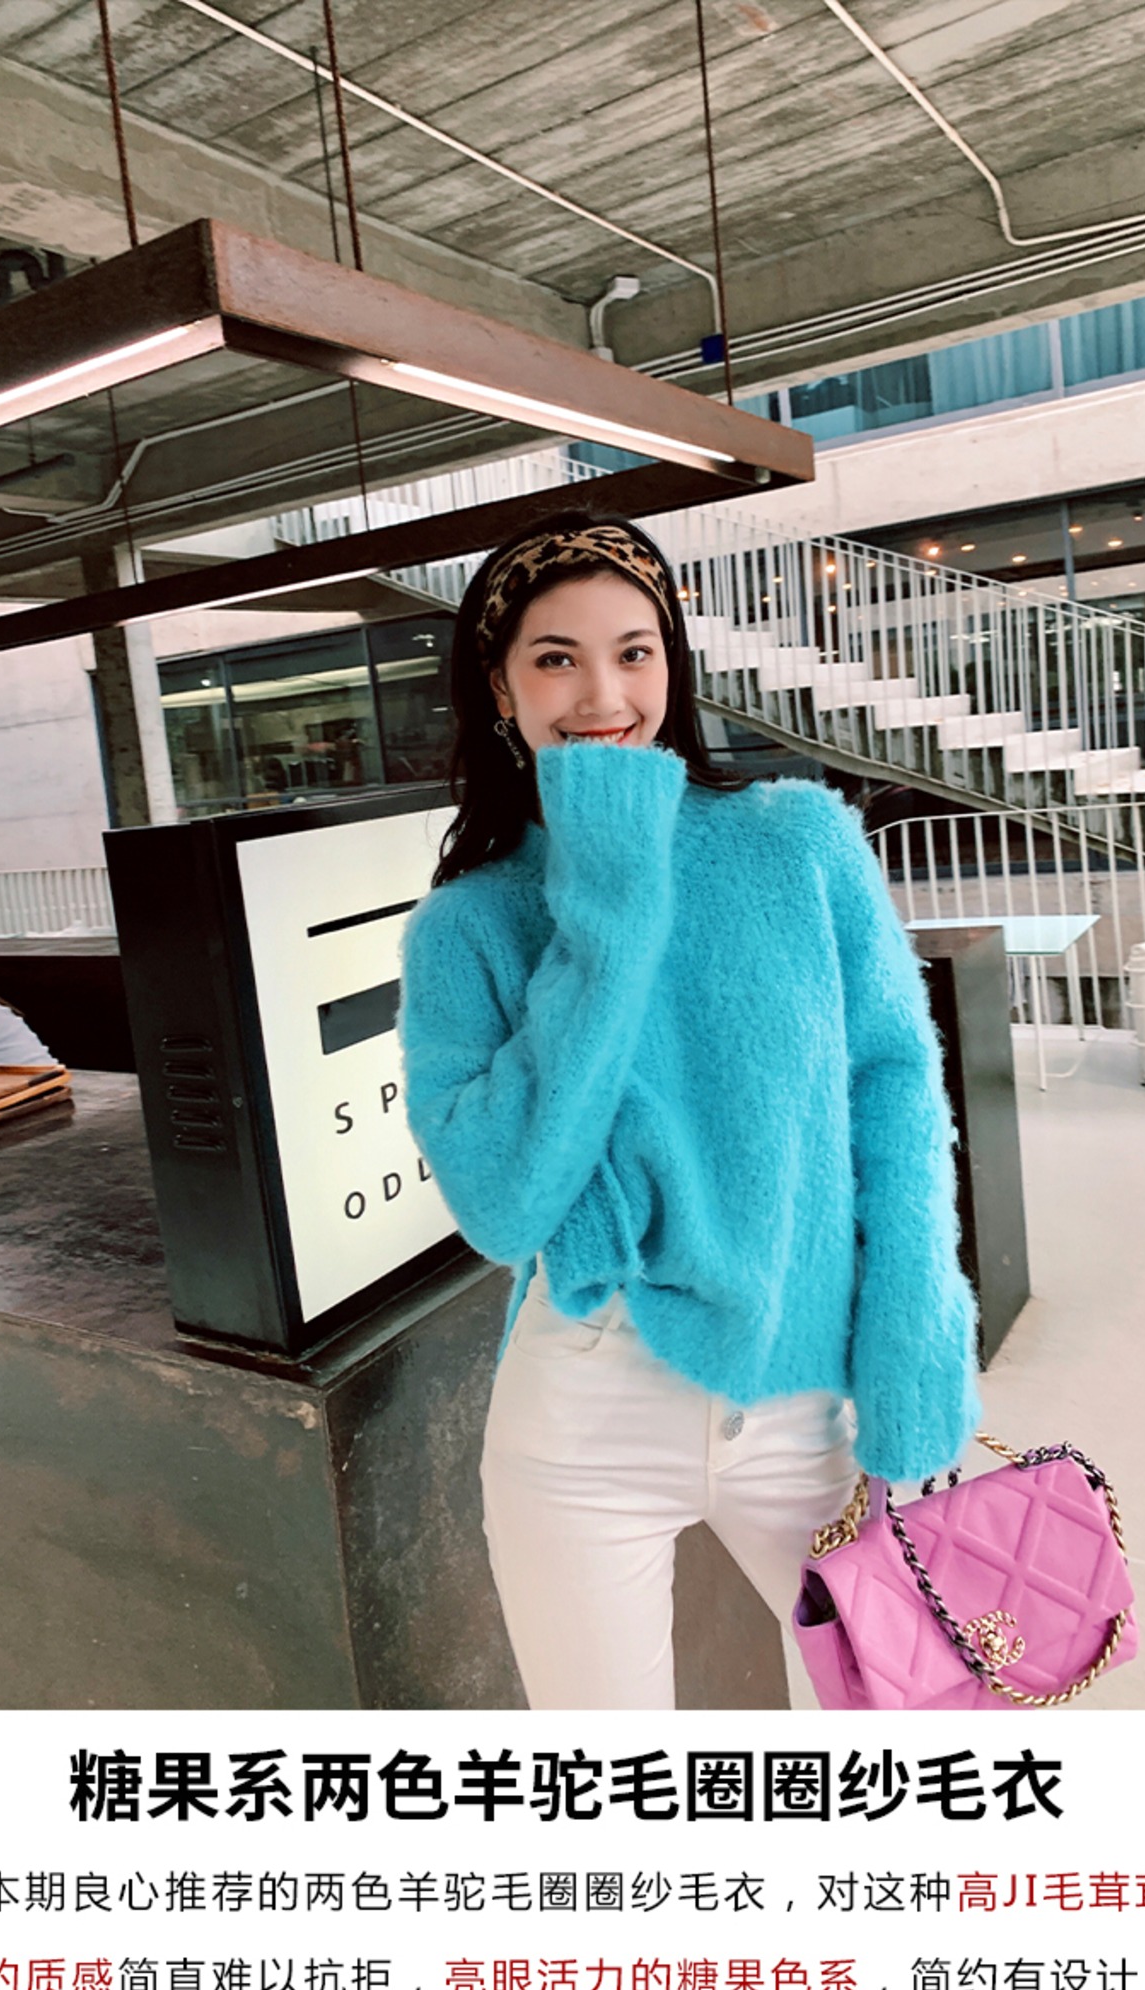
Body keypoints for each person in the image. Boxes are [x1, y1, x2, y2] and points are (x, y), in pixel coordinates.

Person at [397, 513, 981, 1709]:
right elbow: (505, 1205)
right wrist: (608, 897)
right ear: (500, 690)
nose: (602, 693)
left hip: (806, 1396)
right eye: (554, 658)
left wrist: (913, 1355)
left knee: (926, 1728)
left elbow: (894, 1098)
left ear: (672, 662)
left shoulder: (796, 843)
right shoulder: (468, 924)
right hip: (583, 1409)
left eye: (634, 650)